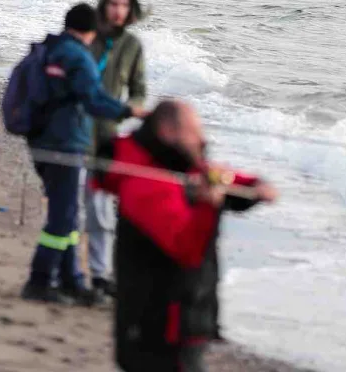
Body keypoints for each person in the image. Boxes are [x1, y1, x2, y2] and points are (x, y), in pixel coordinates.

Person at [97, 100, 277, 372]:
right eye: (195, 132)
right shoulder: (145, 186)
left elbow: (214, 176)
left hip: (183, 321)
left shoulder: (174, 164)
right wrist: (207, 205)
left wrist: (255, 186)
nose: (202, 139)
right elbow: (187, 250)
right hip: (157, 330)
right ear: (169, 132)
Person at [19, 3, 148, 305]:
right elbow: (94, 99)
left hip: (41, 142)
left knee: (68, 215)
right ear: (91, 31)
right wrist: (128, 110)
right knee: (63, 219)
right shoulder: (78, 56)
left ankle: (71, 280)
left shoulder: (50, 48)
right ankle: (39, 281)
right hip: (65, 145)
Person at [85, 0, 148, 303]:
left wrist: (135, 106)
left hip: (108, 133)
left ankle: (99, 275)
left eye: (125, 6)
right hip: (76, 130)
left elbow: (139, 88)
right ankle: (68, 272)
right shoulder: (88, 34)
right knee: (70, 206)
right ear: (104, 4)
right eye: (114, 4)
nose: (119, 11)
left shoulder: (133, 46)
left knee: (100, 209)